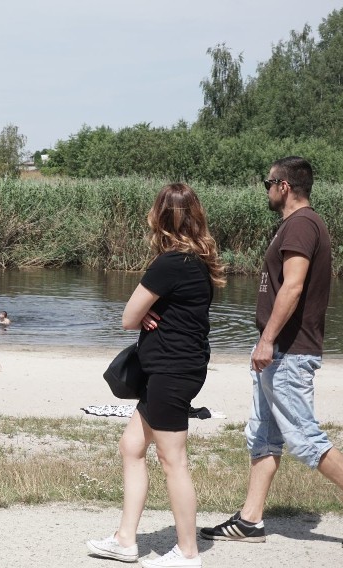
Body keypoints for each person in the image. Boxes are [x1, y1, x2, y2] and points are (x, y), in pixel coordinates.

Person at [200, 156, 343, 550]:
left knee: (304, 438)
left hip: (287, 351)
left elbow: (293, 287)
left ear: (283, 186)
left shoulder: (300, 225)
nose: (265, 189)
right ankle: (250, 520)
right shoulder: (301, 225)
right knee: (263, 436)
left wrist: (268, 342)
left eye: (268, 182)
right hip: (279, 349)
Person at [86, 183, 225, 567]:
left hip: (171, 371)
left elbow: (128, 317)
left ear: (160, 217)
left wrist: (144, 314)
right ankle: (125, 540)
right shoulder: (197, 261)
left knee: (172, 460)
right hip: (178, 368)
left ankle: (188, 552)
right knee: (131, 447)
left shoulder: (170, 263)